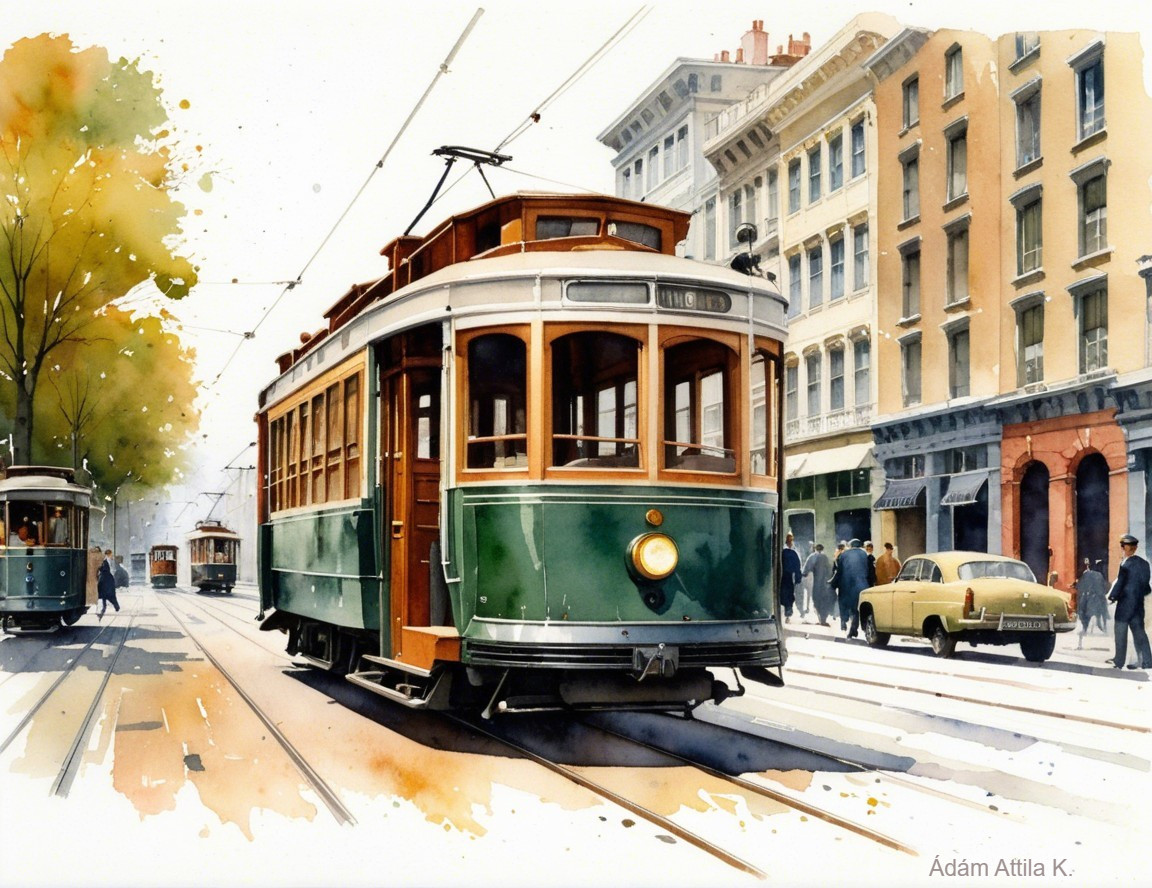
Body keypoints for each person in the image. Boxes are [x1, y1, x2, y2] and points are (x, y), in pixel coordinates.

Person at [1106, 534, 1152, 670]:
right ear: (1135, 548)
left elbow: (1120, 583)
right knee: (1140, 633)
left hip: (1125, 605)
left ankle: (1119, 661)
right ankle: (1147, 661)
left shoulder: (1125, 564)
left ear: (1122, 548)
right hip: (1138, 605)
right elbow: (1146, 587)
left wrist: (1112, 597)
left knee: (1120, 633)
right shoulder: (1145, 564)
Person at [830, 538, 872, 638]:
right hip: (861, 585)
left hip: (846, 585)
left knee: (843, 603)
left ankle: (843, 622)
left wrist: (833, 584)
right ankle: (854, 628)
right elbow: (869, 571)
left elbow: (839, 571)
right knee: (857, 608)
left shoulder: (844, 555)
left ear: (850, 546)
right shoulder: (864, 555)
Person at [1074, 558, 1108, 648]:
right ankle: (1103, 627)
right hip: (1098, 599)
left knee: (1083, 614)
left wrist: (1076, 586)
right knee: (1101, 613)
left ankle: (1084, 631)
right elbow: (1103, 587)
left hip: (1088, 598)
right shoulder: (1099, 575)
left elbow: (1080, 586)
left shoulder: (1086, 574)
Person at [803, 543, 835, 626]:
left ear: (815, 549)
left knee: (817, 600)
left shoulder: (813, 556)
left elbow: (806, 569)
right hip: (825, 584)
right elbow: (830, 569)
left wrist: (804, 574)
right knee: (824, 601)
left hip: (816, 583)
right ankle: (823, 619)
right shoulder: (826, 557)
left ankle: (820, 619)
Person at [780, 532, 802, 624]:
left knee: (784, 594)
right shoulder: (793, 553)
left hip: (782, 576)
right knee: (789, 594)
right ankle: (788, 612)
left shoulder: (782, 552)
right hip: (789, 577)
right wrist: (798, 578)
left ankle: (787, 612)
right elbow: (797, 567)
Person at [97, 548, 121, 617]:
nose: (111, 556)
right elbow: (104, 569)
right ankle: (109, 607)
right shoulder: (105, 561)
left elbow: (106, 569)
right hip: (106, 579)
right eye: (110, 554)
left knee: (107, 594)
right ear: (108, 554)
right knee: (107, 594)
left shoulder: (108, 561)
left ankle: (114, 606)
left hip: (107, 579)